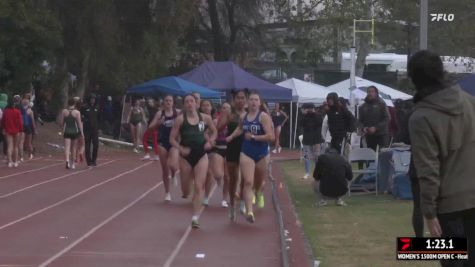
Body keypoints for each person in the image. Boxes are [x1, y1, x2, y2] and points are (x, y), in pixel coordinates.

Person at [408, 50, 475, 266]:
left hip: (450, 205)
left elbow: (428, 170)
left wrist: (428, 211)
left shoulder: (421, 118)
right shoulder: (469, 101)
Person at [170, 94, 217, 229]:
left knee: (199, 185)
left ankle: (195, 217)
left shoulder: (205, 118)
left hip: (201, 155)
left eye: (192, 101)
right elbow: (172, 139)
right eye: (187, 102)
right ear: (184, 105)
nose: (190, 103)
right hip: (186, 156)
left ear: (196, 104)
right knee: (186, 191)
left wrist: (211, 142)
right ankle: (186, 190)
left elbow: (214, 132)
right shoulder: (180, 120)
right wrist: (180, 148)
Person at [227, 91, 275, 223]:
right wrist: (231, 137)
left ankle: (259, 192)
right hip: (246, 152)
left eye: (256, 100)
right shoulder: (244, 116)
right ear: (248, 103)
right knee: (248, 181)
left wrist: (254, 137)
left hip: (261, 154)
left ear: (259, 103)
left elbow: (271, 137)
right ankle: (249, 211)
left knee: (258, 183)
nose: (253, 102)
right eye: (252, 100)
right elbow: (240, 129)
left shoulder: (263, 117)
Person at [218, 89, 247, 221]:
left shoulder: (249, 114)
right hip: (232, 148)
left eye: (242, 98)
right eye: (238, 98)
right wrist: (226, 119)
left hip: (246, 148)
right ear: (234, 100)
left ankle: (241, 201)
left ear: (246, 99)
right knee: (232, 179)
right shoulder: (230, 114)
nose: (240, 100)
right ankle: (232, 205)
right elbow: (218, 129)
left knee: (244, 176)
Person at [148, 95, 181, 201]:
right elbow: (150, 128)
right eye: (166, 100)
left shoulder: (178, 113)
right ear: (163, 103)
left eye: (170, 100)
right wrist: (158, 123)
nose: (168, 102)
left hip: (174, 142)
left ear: (173, 102)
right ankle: (167, 193)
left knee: (173, 165)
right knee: (164, 168)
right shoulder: (159, 114)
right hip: (162, 142)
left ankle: (174, 174)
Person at [211, 102, 231, 208]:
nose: (225, 109)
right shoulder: (215, 121)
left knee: (228, 177)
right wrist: (210, 140)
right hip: (218, 148)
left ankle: (224, 199)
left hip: (230, 149)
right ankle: (218, 178)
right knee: (218, 174)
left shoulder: (233, 122)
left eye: (228, 108)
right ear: (221, 110)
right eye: (224, 108)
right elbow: (210, 132)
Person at [358, 86, 389, 151]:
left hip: (381, 135)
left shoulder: (381, 104)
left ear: (376, 93)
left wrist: (376, 128)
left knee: (382, 155)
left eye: (372, 91)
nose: (370, 93)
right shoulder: (363, 106)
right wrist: (363, 128)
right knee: (370, 156)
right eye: (368, 91)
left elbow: (387, 119)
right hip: (369, 136)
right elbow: (359, 121)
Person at [298, 103, 324, 179]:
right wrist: (305, 114)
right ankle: (307, 173)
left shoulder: (318, 115)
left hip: (316, 139)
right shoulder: (304, 117)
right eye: (306, 109)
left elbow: (320, 122)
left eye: (309, 109)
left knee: (317, 157)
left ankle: (317, 173)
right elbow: (300, 123)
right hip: (307, 139)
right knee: (306, 157)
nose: (308, 110)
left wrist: (314, 113)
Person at [60, 99, 83, 169]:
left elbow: (62, 122)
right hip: (74, 132)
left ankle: (67, 160)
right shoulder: (77, 112)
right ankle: (72, 163)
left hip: (67, 131)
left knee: (67, 147)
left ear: (68, 103)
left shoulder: (64, 111)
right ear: (74, 104)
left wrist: (61, 128)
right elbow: (79, 123)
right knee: (73, 148)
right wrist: (81, 132)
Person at [1, 97, 23, 167]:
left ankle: (10, 161)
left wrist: (3, 128)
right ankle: (16, 161)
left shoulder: (6, 112)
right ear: (14, 105)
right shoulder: (17, 111)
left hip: (8, 130)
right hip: (16, 130)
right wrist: (21, 130)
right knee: (15, 146)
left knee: (9, 146)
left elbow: (2, 121)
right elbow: (20, 122)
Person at [81, 94, 100, 166]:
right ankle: (88, 161)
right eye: (91, 99)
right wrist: (84, 121)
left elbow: (99, 117)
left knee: (96, 144)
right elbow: (81, 116)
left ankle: (94, 160)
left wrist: (99, 127)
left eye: (94, 99)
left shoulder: (97, 107)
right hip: (87, 129)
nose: (93, 100)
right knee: (87, 145)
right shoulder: (85, 107)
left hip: (95, 128)